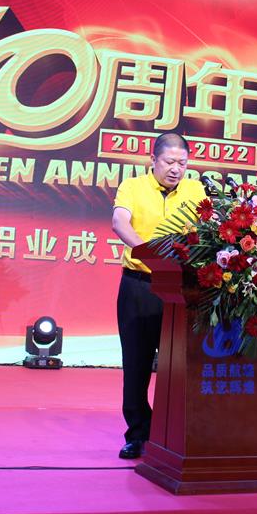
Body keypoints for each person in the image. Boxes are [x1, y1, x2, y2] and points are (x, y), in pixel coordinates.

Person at [110, 132, 207, 459]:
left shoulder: (196, 190)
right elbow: (119, 222)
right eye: (169, 162)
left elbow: (210, 229)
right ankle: (138, 433)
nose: (176, 169)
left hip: (181, 289)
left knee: (178, 364)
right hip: (139, 286)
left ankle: (175, 434)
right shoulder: (133, 187)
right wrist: (151, 254)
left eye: (182, 163)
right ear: (153, 160)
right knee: (136, 364)